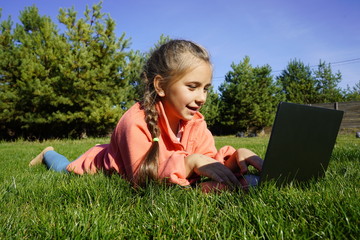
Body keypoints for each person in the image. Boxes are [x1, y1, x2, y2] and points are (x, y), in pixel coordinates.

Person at [29, 39, 263, 192]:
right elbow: (141, 178)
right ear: (160, 86)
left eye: (206, 88)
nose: (201, 97)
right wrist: (190, 162)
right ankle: (48, 152)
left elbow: (210, 162)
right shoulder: (135, 121)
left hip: (117, 151)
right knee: (63, 167)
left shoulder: (196, 123)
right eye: (192, 87)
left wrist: (234, 159)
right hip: (96, 163)